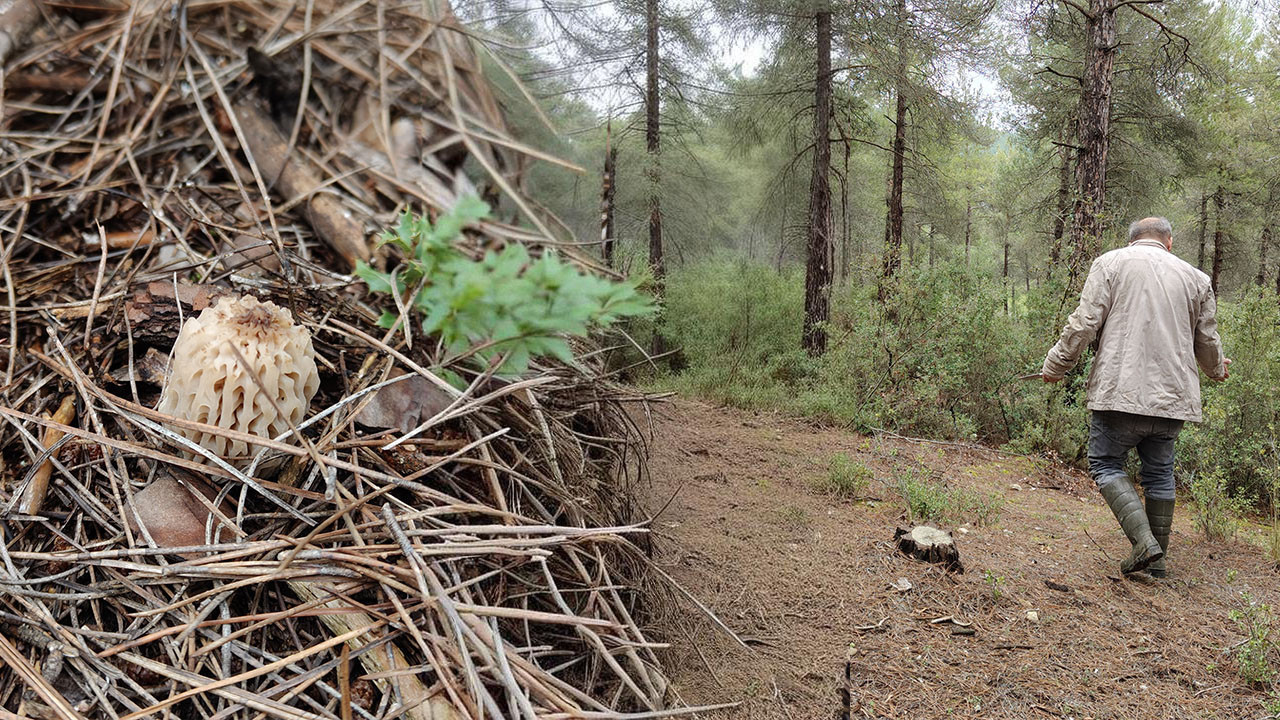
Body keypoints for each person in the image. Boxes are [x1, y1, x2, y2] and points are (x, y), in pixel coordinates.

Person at [1041, 217, 1230, 577]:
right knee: (1159, 474)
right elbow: (1206, 341)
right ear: (1169, 242)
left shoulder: (1109, 263)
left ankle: (1145, 544)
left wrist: (1056, 365)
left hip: (1119, 391)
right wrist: (1217, 368)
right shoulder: (1196, 278)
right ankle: (1157, 567)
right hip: (1172, 398)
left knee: (1105, 463)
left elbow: (1083, 324)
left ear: (1131, 241)